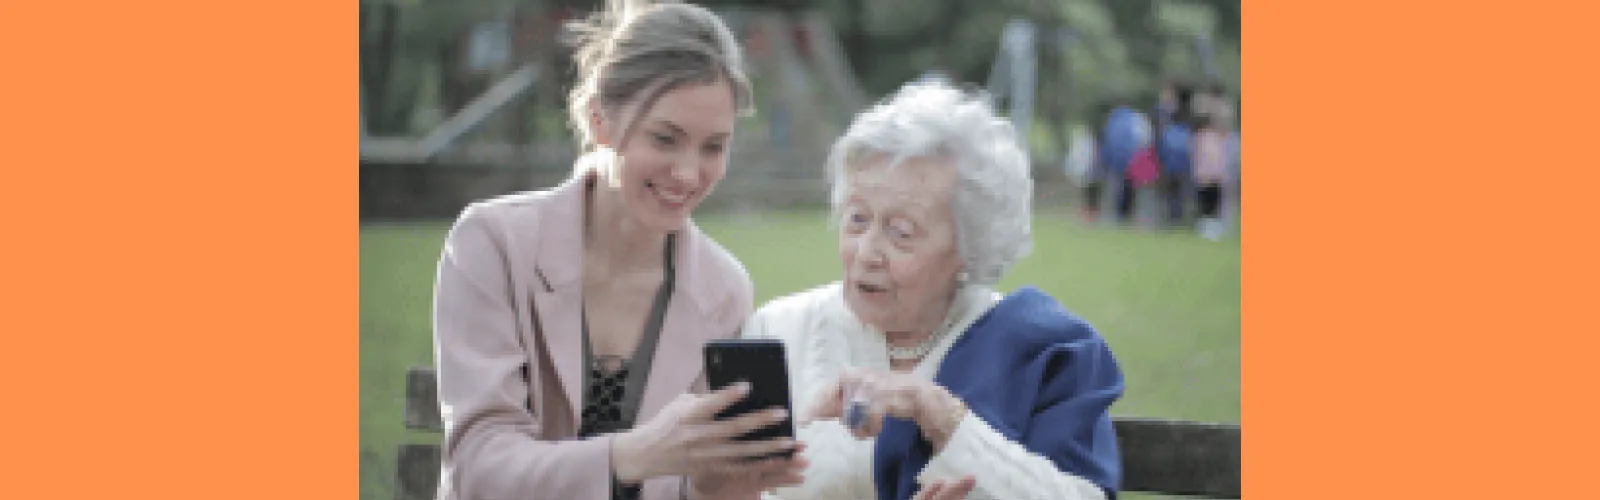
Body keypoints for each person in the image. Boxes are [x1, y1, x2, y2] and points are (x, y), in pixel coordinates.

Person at [430, 1, 807, 499]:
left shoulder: (722, 289)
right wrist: (632, 454)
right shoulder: (492, 244)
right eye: (665, 139)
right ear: (599, 121)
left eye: (713, 147)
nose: (689, 173)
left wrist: (716, 485)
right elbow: (478, 470)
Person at [743, 81, 1126, 500]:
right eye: (857, 219)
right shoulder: (777, 332)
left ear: (970, 245)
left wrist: (940, 415)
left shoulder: (1041, 349)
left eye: (901, 232)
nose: (866, 252)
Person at [1192, 113, 1230, 240]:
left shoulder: (1218, 138)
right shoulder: (1202, 137)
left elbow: (1222, 158)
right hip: (1206, 176)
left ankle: (1213, 228)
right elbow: (1199, 157)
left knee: (1214, 203)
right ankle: (1206, 228)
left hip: (1215, 177)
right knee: (1206, 203)